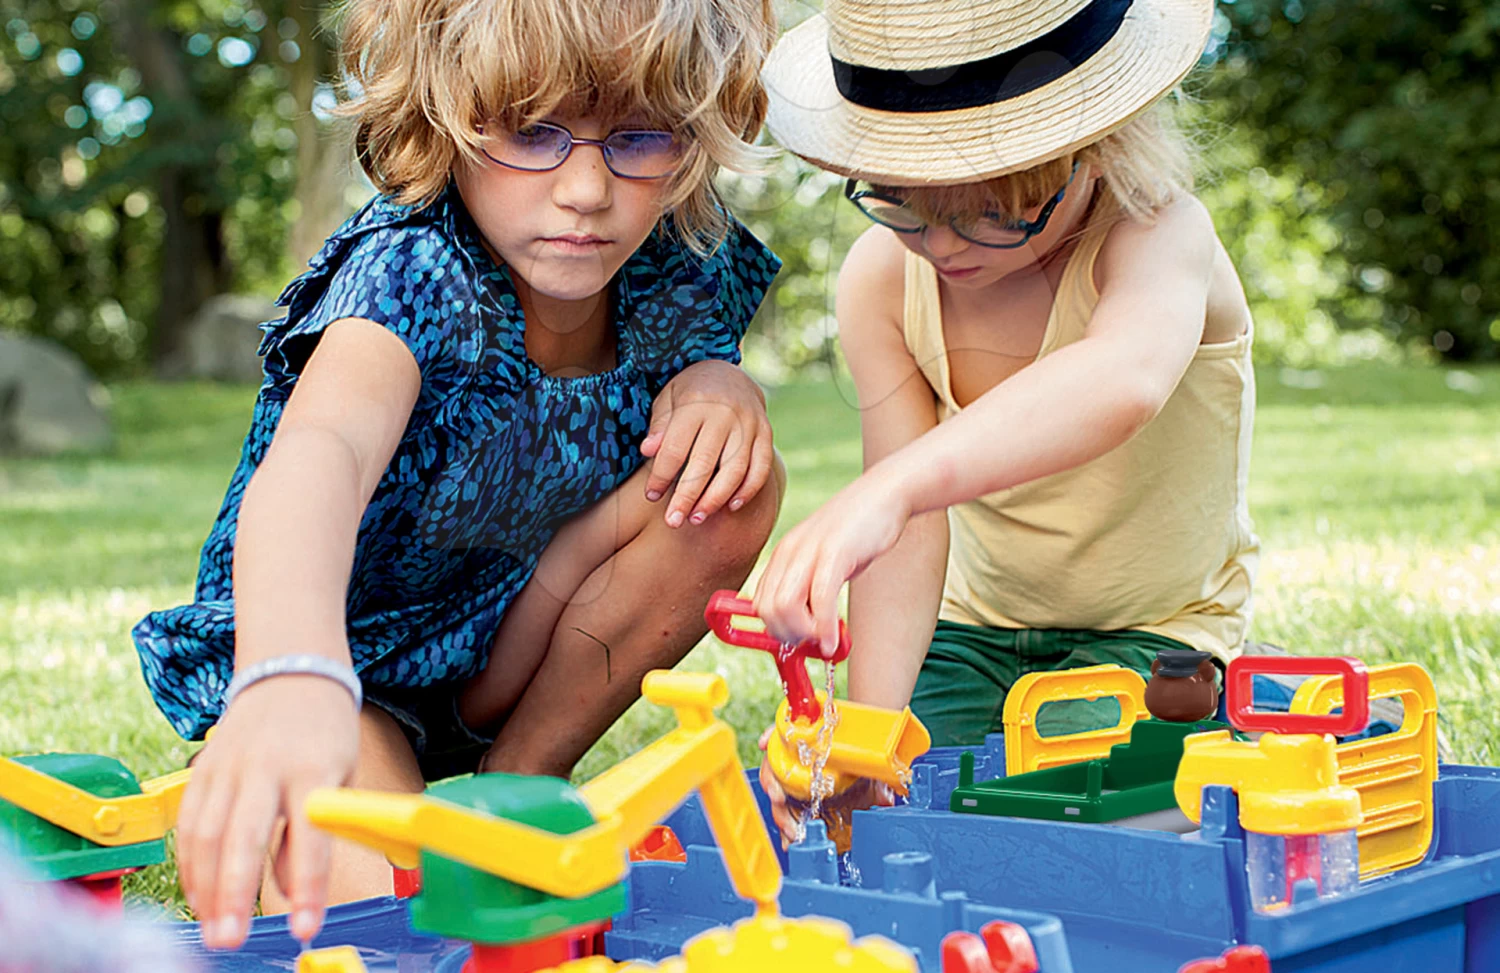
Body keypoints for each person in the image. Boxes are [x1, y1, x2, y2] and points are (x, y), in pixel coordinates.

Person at [132, 0, 782, 949]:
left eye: (640, 138)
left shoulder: (677, 260)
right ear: (447, 115)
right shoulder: (411, 268)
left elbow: (701, 377)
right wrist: (289, 673)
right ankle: (329, 756)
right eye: (534, 132)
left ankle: (516, 788)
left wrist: (723, 384)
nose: (588, 188)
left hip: (501, 648)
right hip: (340, 669)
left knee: (732, 484)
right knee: (393, 918)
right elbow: (320, 455)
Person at [751, 0, 1258, 837]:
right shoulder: (882, 276)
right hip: (973, 634)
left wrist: (888, 489)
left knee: (1074, 813)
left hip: (1153, 633)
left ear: (1094, 151)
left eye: (996, 209)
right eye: (903, 203)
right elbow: (911, 530)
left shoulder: (1161, 234)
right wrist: (872, 727)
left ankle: (1231, 699)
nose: (944, 246)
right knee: (904, 808)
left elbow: (1120, 381)